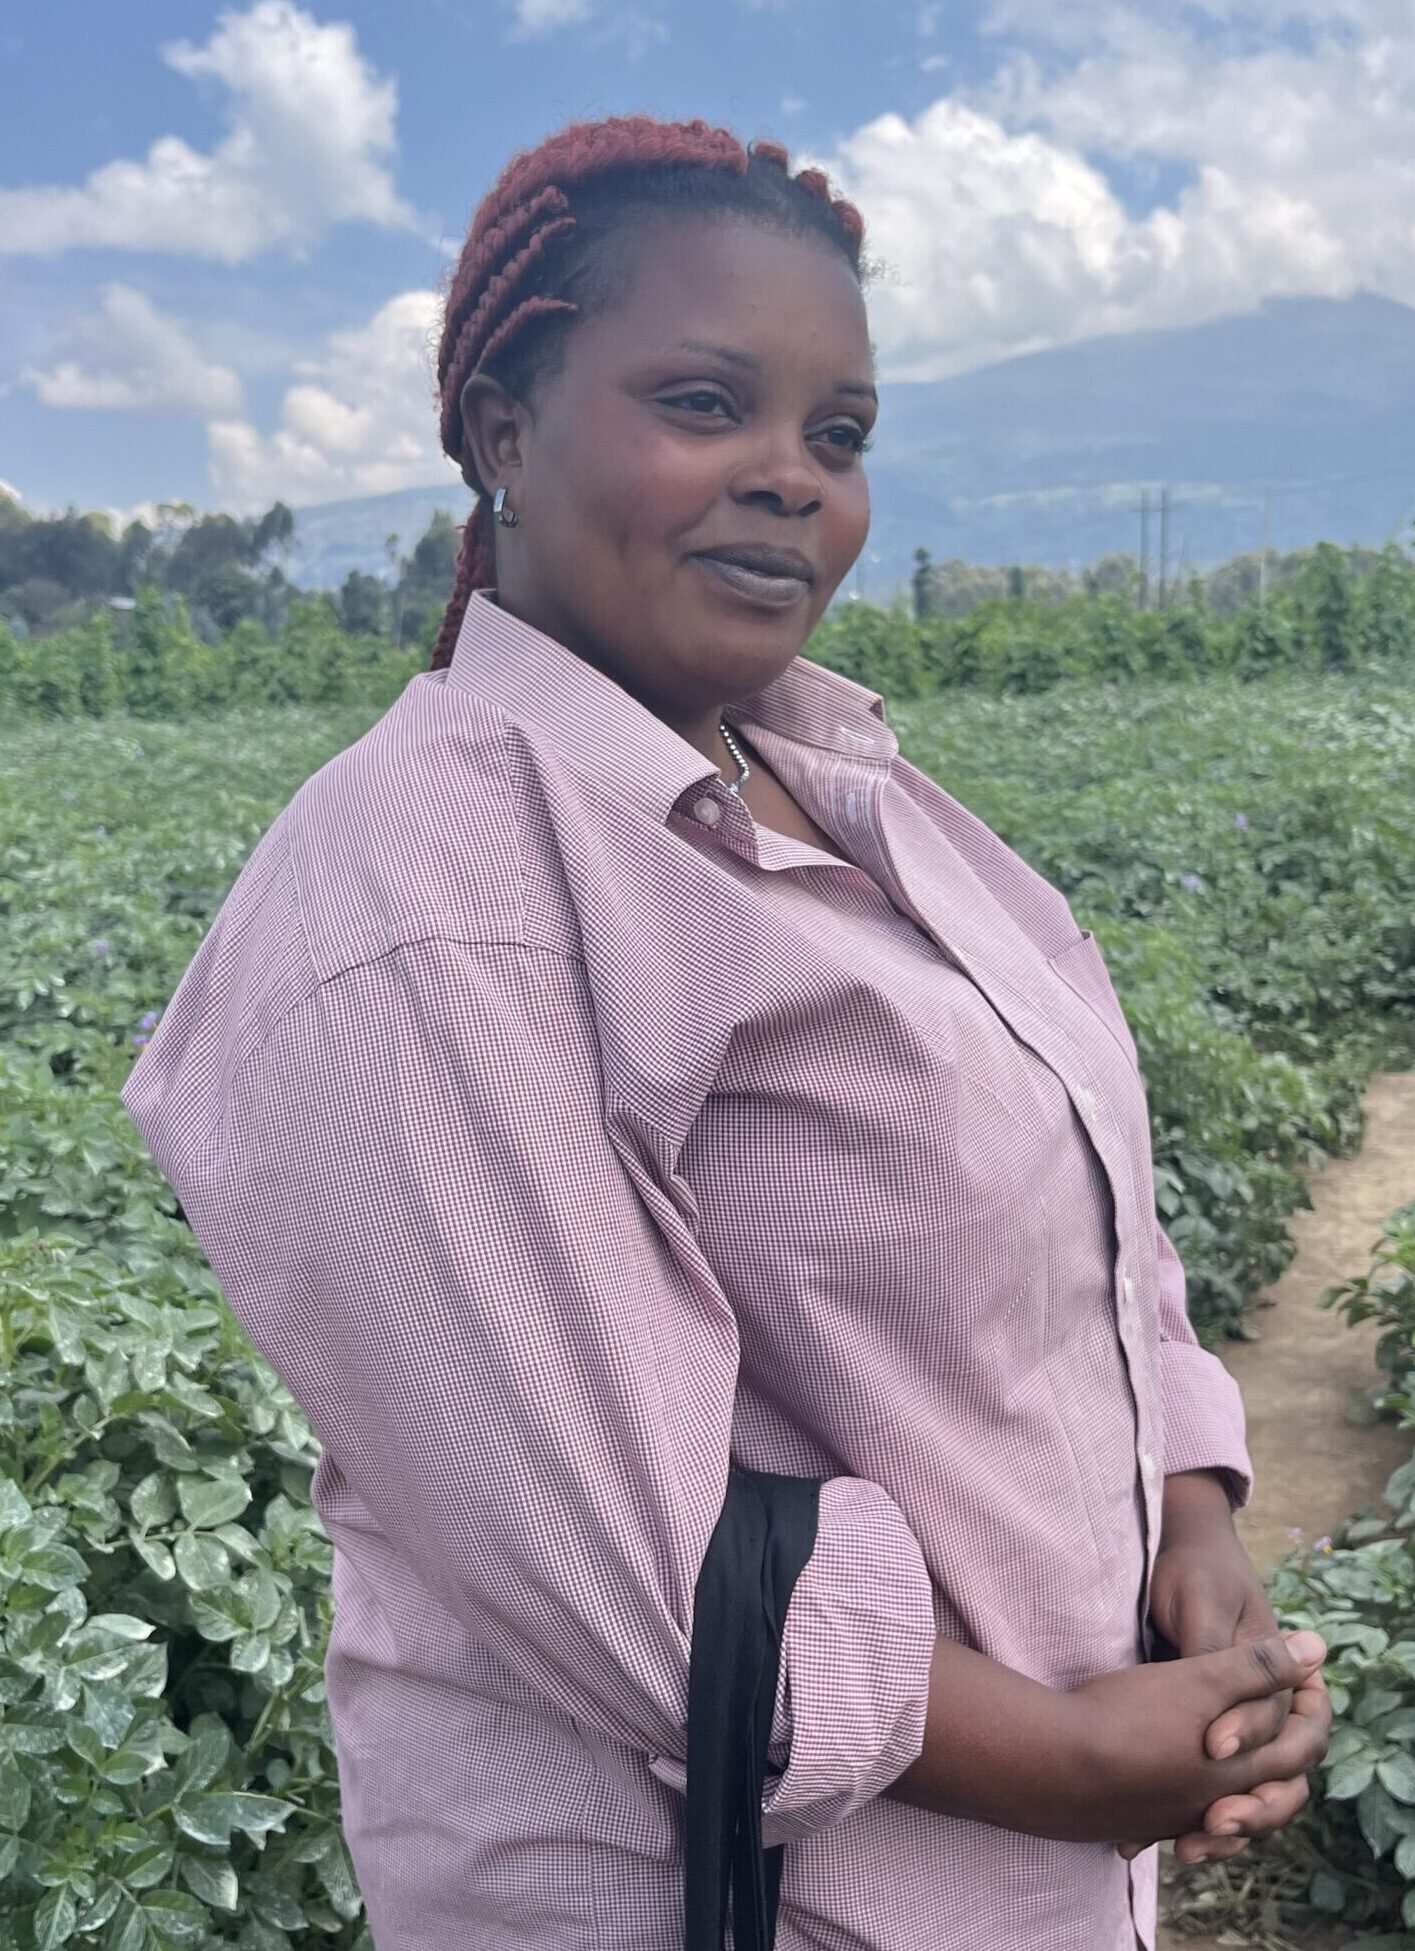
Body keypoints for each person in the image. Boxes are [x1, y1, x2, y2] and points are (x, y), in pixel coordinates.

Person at [122, 114, 1331, 1950]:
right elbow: (654, 1589)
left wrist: (1189, 1509)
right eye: (704, 403)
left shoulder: (835, 785)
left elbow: (1087, 1197)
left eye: (836, 437)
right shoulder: (418, 898)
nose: (792, 479)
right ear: (499, 432)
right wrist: (1077, 1752)